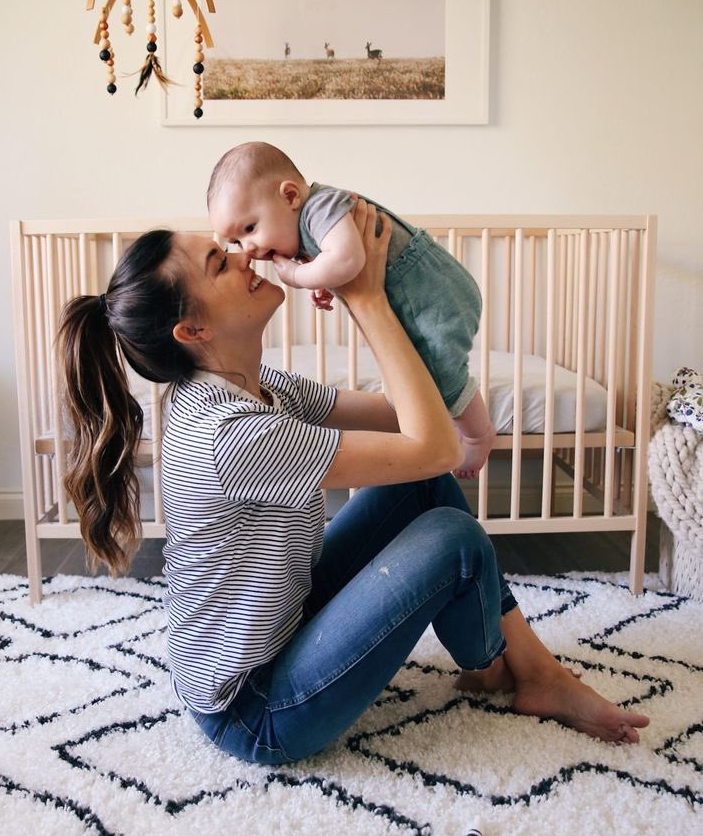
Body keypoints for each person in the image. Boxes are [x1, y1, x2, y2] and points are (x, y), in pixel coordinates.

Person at [57, 198, 649, 766]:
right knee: (454, 538)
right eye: (219, 262)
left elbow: (404, 415)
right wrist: (366, 299)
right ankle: (497, 666)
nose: (245, 254)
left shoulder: (261, 385)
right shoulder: (228, 434)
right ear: (193, 330)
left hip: (290, 616)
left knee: (421, 492)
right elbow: (437, 448)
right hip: (253, 708)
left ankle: (534, 672)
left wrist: (369, 290)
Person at [205, 141, 496, 479]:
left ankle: (478, 435)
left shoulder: (321, 207)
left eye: (250, 229)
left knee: (441, 376)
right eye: (236, 242)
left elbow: (348, 259)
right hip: (416, 297)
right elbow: (342, 262)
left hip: (434, 296)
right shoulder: (311, 221)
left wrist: (300, 275)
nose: (248, 250)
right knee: (422, 376)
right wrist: (323, 278)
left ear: (290, 196)